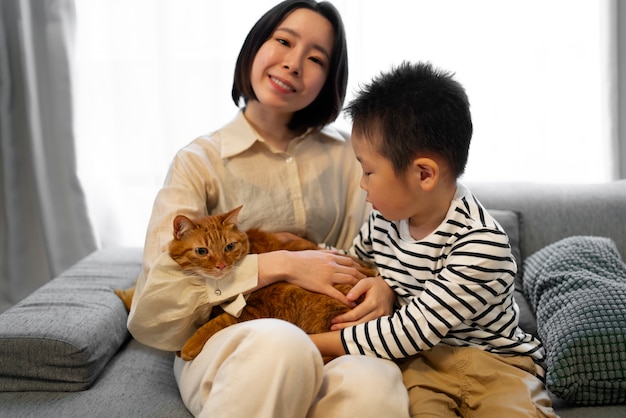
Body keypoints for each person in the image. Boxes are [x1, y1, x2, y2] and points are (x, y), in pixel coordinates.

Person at [127, 1, 409, 417]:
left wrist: (384, 288)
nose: (294, 64)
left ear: (329, 79)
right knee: (280, 346)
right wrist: (283, 265)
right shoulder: (199, 161)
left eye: (315, 58)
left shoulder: (351, 158)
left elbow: (389, 248)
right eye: (283, 41)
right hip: (232, 335)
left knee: (375, 385)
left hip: (332, 331)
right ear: (255, 47)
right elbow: (155, 302)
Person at [310, 61, 557, 417]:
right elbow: (353, 263)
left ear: (423, 174)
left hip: (497, 365)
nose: (363, 184)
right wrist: (300, 256)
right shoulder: (384, 219)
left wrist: (308, 345)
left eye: (368, 171)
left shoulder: (480, 243)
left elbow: (410, 331)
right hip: (422, 367)